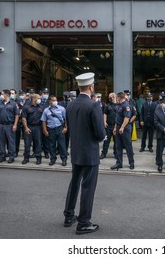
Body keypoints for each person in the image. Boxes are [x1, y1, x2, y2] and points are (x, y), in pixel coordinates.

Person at [63, 72, 105, 234]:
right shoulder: (93, 105)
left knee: (74, 183)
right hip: (90, 152)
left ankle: (68, 215)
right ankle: (84, 222)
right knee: (88, 187)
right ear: (90, 87)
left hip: (76, 150)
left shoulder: (71, 105)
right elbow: (100, 133)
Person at [0, 89, 19, 163]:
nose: (1, 95)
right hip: (1, 125)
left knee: (11, 142)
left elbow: (17, 115)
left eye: (2, 94)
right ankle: (2, 156)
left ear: (6, 95)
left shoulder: (13, 104)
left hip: (10, 125)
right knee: (1, 141)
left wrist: (15, 125)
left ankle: (11, 156)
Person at [41, 95, 68, 166]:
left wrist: (65, 128)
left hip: (60, 128)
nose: (55, 101)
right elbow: (43, 121)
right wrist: (45, 130)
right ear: (49, 101)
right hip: (51, 129)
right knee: (51, 145)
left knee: (62, 145)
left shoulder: (62, 109)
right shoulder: (46, 110)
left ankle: (64, 159)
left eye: (55, 100)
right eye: (53, 100)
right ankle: (52, 159)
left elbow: (66, 119)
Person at [111, 92, 135, 170]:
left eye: (117, 97)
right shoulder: (119, 106)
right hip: (118, 127)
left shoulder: (126, 106)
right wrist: (115, 128)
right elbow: (117, 118)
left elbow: (127, 118)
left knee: (128, 146)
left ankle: (131, 163)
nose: (116, 99)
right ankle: (119, 163)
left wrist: (122, 127)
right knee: (118, 146)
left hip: (125, 128)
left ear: (119, 97)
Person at [21, 94, 44, 165]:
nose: (40, 100)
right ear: (34, 99)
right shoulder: (26, 107)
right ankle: (26, 158)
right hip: (29, 126)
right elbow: (23, 118)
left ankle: (38, 158)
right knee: (27, 144)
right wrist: (26, 127)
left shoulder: (41, 107)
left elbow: (44, 119)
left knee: (38, 143)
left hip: (38, 127)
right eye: (39, 98)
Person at [100, 92, 118, 159]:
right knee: (106, 141)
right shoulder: (107, 106)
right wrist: (104, 122)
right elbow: (105, 114)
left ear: (114, 97)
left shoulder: (119, 105)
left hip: (116, 127)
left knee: (116, 142)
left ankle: (116, 153)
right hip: (108, 126)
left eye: (110, 97)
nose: (109, 98)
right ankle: (103, 154)